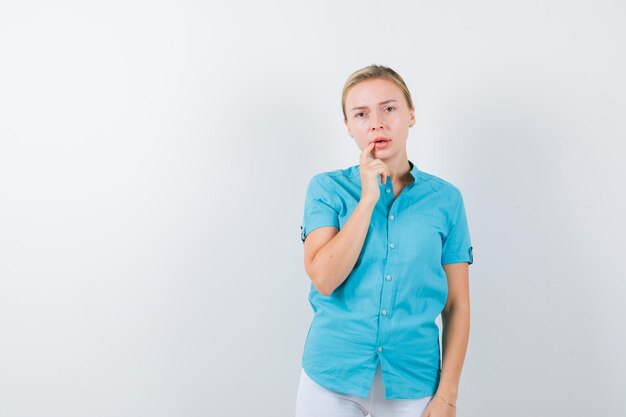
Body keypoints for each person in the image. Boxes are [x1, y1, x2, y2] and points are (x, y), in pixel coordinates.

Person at [295, 64, 474, 417]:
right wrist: (367, 201)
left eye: (389, 108)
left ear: (411, 115)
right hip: (331, 379)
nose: (376, 122)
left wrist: (448, 396)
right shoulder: (327, 189)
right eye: (361, 114)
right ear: (348, 126)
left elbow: (457, 305)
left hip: (414, 383)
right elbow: (324, 278)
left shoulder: (446, 200)